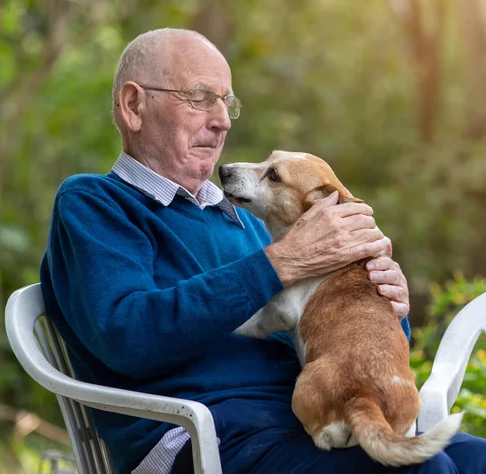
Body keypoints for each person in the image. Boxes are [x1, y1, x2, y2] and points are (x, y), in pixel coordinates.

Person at [40, 28, 485, 474]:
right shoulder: (95, 204)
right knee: (423, 470)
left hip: (311, 417)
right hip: (206, 438)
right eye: (200, 97)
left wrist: (382, 301)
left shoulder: (244, 219)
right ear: (134, 106)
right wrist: (284, 262)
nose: (222, 120)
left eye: (226, 102)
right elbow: (129, 336)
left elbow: (333, 337)